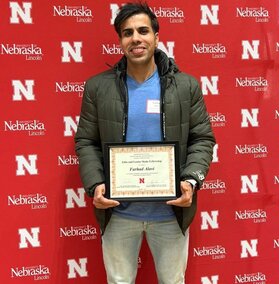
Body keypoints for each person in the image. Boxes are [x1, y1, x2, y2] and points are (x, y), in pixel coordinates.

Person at [74, 2, 215, 283]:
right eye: (127, 33)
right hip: (118, 213)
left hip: (171, 212)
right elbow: (86, 141)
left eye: (143, 31)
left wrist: (191, 181)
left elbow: (202, 138)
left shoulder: (187, 86)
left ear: (156, 37)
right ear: (121, 41)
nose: (135, 38)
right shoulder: (97, 87)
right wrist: (95, 185)